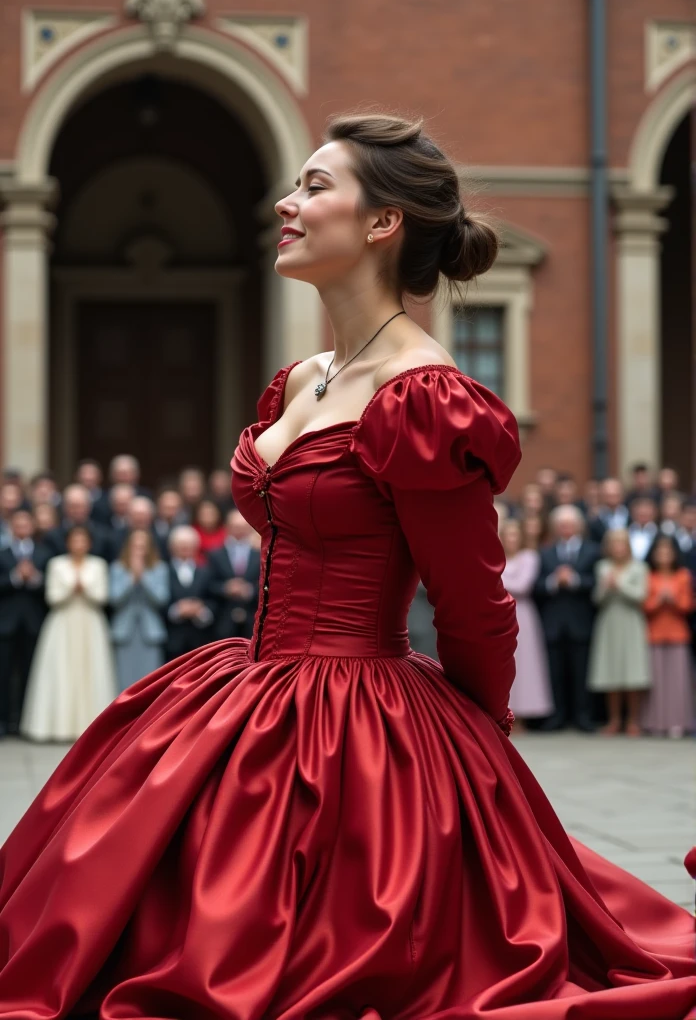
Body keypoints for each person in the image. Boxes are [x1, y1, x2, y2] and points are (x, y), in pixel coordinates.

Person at [0, 113, 694, 1018]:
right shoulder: (301, 380)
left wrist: (478, 758)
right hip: (246, 683)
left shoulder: (425, 395)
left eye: (315, 186)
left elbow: (470, 599)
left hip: (358, 713)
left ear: (383, 223)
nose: (287, 204)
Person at [19, 524, 117, 742]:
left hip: (90, 623)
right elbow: (52, 597)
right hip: (62, 623)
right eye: (75, 540)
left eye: (83, 540)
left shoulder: (98, 565)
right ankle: (56, 726)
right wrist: (72, 587)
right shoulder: (57, 564)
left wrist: (86, 589)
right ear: (68, 543)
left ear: (89, 543)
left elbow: (102, 597)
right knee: (61, 670)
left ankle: (91, 727)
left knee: (90, 670)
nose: (79, 544)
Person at [534, 504, 601, 732]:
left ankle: (582, 716)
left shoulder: (592, 551)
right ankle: (558, 716)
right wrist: (554, 581)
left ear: (578, 526)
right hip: (553, 623)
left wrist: (574, 580)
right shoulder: (545, 552)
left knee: (581, 672)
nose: (566, 528)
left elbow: (595, 582)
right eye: (562, 524)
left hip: (581, 622)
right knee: (555, 672)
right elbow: (537, 585)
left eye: (570, 524)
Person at [586, 529, 651, 736]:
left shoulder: (639, 567)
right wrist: (605, 587)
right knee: (611, 671)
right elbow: (597, 599)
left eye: (621, 543)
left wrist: (619, 584)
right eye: (614, 544)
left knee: (632, 671)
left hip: (631, 621)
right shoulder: (602, 567)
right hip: (609, 622)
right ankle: (614, 720)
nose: (618, 548)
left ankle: (633, 720)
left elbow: (640, 596)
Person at [500, 518, 553, 726]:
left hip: (522, 614)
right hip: (500, 614)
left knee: (524, 663)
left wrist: (496, 580)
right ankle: (503, 711)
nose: (511, 539)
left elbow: (523, 586)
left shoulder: (529, 557)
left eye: (515, 535)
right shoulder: (495, 557)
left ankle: (521, 717)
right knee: (503, 661)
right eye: (507, 535)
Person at [0, 510, 49, 736]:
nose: (21, 528)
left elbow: (50, 586)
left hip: (33, 623)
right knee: (4, 673)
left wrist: (34, 578)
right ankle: (3, 722)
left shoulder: (43, 553)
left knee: (30, 674)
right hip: (6, 624)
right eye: (17, 524)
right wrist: (15, 577)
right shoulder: (3, 554)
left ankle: (23, 723)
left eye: (25, 524)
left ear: (32, 526)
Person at [641, 534, 695, 738]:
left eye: (668, 551)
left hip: (678, 634)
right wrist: (657, 600)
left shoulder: (683, 575)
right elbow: (644, 606)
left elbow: (688, 605)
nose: (664, 555)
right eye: (660, 551)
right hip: (654, 634)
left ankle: (677, 723)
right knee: (656, 682)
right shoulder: (649, 576)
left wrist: (672, 599)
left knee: (677, 682)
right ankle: (655, 723)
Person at [109, 529, 170, 692]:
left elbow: (161, 599)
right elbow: (114, 599)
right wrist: (131, 578)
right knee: (124, 682)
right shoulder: (118, 568)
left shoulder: (160, 568)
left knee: (149, 682)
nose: (139, 550)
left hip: (150, 633)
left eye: (143, 546)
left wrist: (142, 576)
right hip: (124, 633)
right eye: (135, 546)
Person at [207, 508, 260, 639]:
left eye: (243, 526)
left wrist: (250, 590)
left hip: (252, 621)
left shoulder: (260, 554)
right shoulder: (215, 555)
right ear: (227, 527)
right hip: (222, 620)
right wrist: (225, 588)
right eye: (236, 526)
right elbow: (207, 584)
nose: (240, 530)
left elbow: (268, 583)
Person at [165, 525, 216, 659]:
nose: (184, 549)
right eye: (180, 545)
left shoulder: (206, 571)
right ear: (172, 547)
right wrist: (176, 610)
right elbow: (159, 601)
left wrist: (200, 610)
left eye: (188, 545)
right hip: (172, 641)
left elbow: (214, 599)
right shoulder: (163, 571)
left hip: (200, 641)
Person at [192, 497, 226, 564]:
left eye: (211, 513)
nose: (207, 517)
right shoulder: (192, 533)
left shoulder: (226, 533)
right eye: (204, 514)